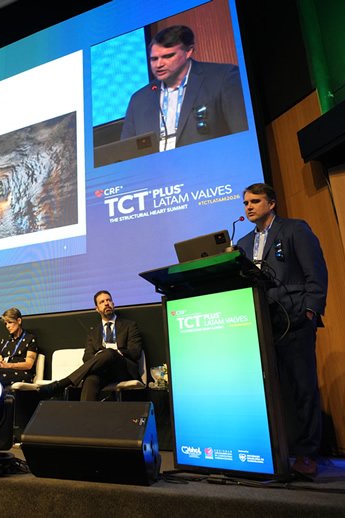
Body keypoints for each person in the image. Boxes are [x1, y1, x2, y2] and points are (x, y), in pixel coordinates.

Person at [236, 182, 328, 478]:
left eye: (255, 201)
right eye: (246, 203)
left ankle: (307, 453)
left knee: (302, 387)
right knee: (270, 390)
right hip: (261, 324)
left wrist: (310, 310)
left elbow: (316, 271)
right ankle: (274, 451)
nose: (249, 207)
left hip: (295, 319)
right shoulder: (243, 243)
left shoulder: (294, 229)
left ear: (271, 203)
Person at [120, 25, 247, 151]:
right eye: (154, 59)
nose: (159, 64)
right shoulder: (139, 99)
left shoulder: (223, 77)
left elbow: (243, 135)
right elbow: (126, 153)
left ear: (188, 52)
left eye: (168, 56)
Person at [40, 290, 143, 401]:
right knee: (90, 379)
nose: (106, 303)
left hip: (123, 369)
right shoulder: (93, 332)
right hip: (103, 371)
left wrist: (115, 352)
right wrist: (99, 356)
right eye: (102, 302)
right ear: (97, 309)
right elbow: (86, 357)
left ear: (113, 303)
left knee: (109, 352)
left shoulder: (129, 325)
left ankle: (63, 383)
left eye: (108, 300)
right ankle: (84, 412)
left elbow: (135, 352)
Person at [0, 307, 37, 387]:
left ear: (19, 321)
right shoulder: (5, 341)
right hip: (5, 371)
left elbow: (29, 365)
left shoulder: (30, 339)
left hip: (23, 373)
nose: (7, 326)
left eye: (10, 322)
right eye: (5, 323)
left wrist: (9, 365)